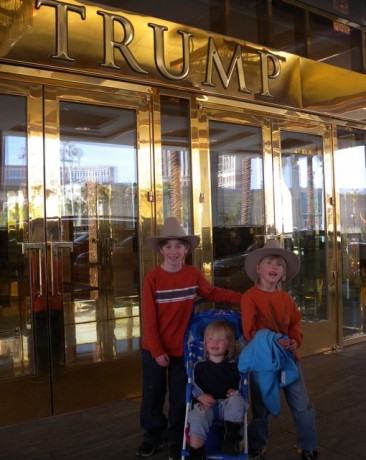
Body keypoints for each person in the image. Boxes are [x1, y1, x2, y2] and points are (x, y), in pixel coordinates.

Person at [136, 217, 242, 460]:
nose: (173, 251)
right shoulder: (153, 278)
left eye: (179, 246)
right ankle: (152, 436)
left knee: (178, 397)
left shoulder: (193, 274)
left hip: (182, 349)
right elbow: (149, 319)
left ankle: (176, 440)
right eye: (168, 246)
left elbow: (212, 292)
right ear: (161, 250)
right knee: (152, 394)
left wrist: (241, 298)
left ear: (187, 250)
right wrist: (156, 349)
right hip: (155, 348)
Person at [239, 239, 318, 460]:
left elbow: (295, 325)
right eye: (269, 263)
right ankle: (257, 445)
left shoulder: (287, 299)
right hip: (262, 361)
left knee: (301, 404)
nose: (274, 268)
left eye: (279, 265)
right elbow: (249, 331)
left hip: (288, 358)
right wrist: (275, 341)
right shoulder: (249, 297)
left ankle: (308, 445)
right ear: (258, 269)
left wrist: (294, 341)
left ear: (284, 273)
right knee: (261, 407)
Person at [187, 320, 247, 459]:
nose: (215, 343)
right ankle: (196, 452)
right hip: (205, 405)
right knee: (197, 416)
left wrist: (235, 391)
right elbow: (193, 384)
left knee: (237, 400)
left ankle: (230, 441)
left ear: (229, 345)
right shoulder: (199, 366)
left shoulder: (234, 366)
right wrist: (200, 396)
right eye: (210, 339)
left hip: (227, 406)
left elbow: (240, 383)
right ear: (205, 343)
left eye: (221, 339)